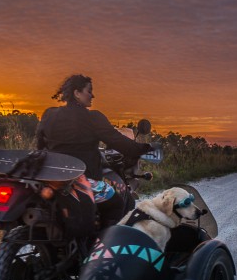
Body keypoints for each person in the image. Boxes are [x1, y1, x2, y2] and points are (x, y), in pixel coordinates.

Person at [36, 74, 152, 235]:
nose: (92, 95)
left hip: (51, 177)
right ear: (77, 93)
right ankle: (100, 248)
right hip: (79, 178)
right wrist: (146, 148)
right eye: (89, 91)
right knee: (117, 203)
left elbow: (40, 145)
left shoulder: (49, 114)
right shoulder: (92, 118)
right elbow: (118, 141)